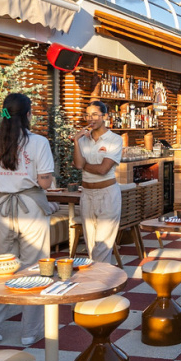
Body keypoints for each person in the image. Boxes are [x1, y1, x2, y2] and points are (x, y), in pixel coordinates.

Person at [0, 93, 55, 346]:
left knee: (3, 266)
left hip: (2, 207)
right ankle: (30, 331)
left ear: (4, 113)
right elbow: (44, 182)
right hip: (31, 207)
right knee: (35, 267)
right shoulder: (38, 142)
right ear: (28, 114)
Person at [73, 101, 123, 263]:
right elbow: (78, 165)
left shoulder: (114, 139)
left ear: (105, 116)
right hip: (87, 194)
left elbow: (103, 169)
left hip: (107, 194)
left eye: (95, 114)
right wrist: (76, 141)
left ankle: (101, 277)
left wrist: (83, 165)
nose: (90, 118)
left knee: (102, 246)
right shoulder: (82, 140)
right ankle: (97, 277)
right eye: (87, 115)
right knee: (90, 244)